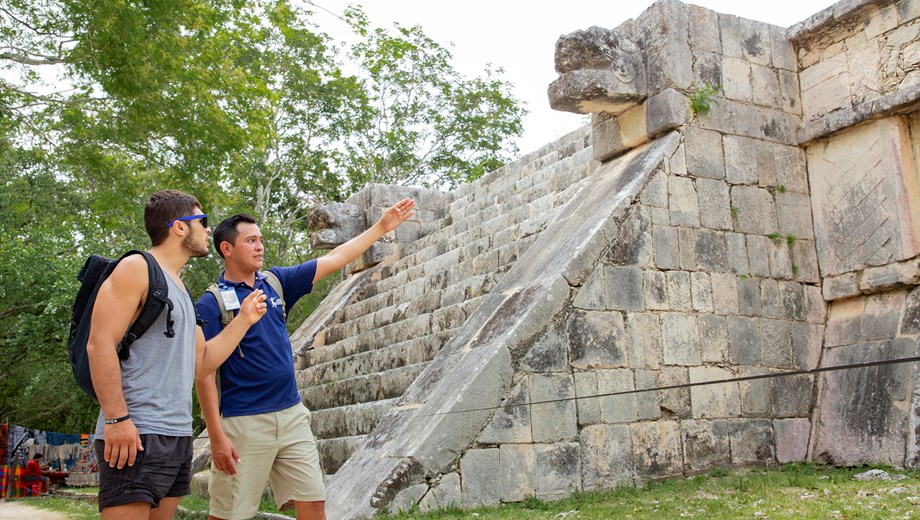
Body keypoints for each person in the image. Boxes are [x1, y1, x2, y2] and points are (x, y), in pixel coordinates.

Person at [196, 198, 416, 520]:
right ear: (226, 248)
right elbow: (203, 373)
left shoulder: (275, 282)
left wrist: (381, 227)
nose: (259, 247)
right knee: (230, 514)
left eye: (260, 240)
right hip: (243, 422)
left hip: (291, 414)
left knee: (313, 502)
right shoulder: (211, 302)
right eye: (250, 241)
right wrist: (216, 437)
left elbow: (336, 257)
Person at [87, 189, 270, 520]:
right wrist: (117, 419)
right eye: (202, 221)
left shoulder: (182, 289)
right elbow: (99, 345)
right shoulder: (136, 267)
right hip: (136, 431)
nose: (206, 230)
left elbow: (203, 363)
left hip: (177, 434)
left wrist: (243, 320)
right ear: (179, 227)